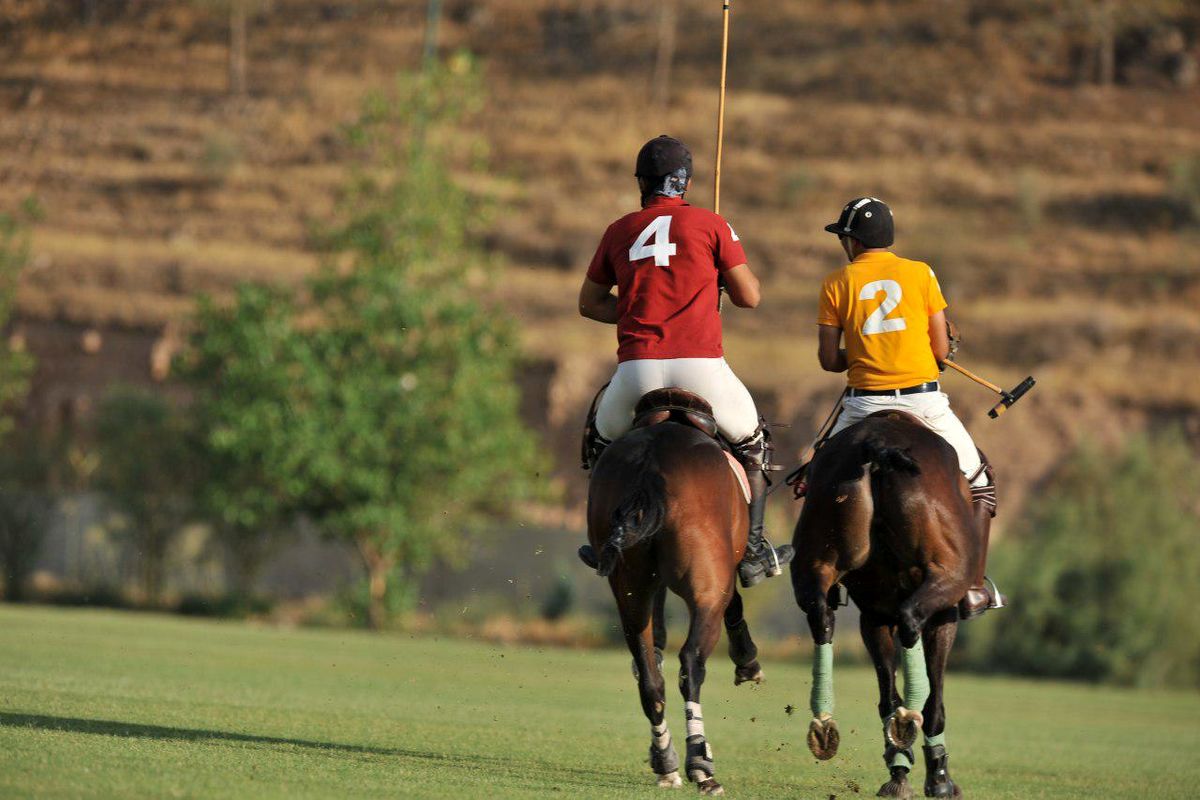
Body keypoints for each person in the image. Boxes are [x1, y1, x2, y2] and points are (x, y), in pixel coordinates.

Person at [576, 134, 793, 588]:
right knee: (754, 444)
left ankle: (602, 540)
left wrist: (640, 310)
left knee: (600, 445)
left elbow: (589, 303)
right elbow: (750, 297)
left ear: (642, 182)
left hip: (636, 372)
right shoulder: (711, 223)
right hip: (700, 368)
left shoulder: (619, 229)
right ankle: (752, 550)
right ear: (684, 183)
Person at [815, 197, 1003, 619]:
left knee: (814, 479)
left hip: (862, 406)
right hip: (924, 402)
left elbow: (829, 361)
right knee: (980, 481)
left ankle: (822, 575)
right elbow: (939, 350)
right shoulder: (921, 273)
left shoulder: (835, 282)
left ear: (852, 241)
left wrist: (867, 353)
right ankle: (972, 586)